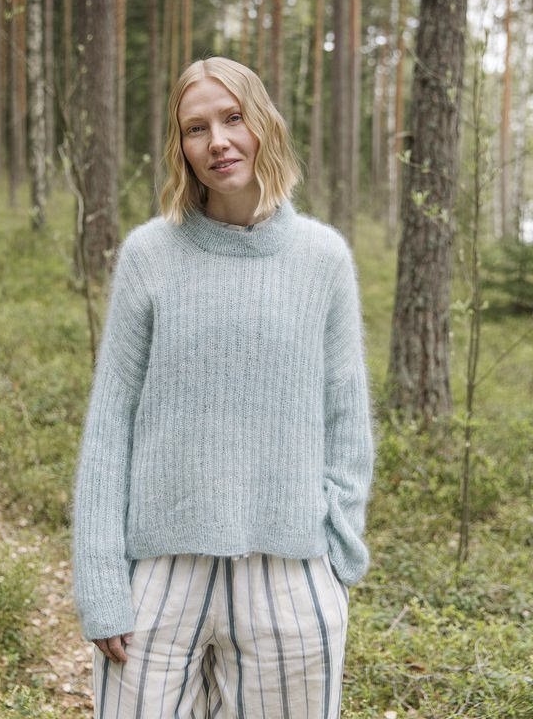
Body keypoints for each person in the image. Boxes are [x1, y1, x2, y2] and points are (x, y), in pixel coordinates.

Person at [72, 56, 374, 718]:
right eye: (196, 128)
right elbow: (110, 423)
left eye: (233, 118)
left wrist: (336, 559)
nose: (218, 141)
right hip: (159, 574)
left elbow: (346, 417)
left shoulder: (322, 259)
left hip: (289, 572)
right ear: (180, 146)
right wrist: (100, 580)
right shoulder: (150, 255)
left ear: (263, 123)